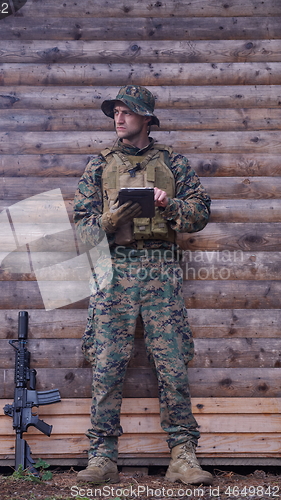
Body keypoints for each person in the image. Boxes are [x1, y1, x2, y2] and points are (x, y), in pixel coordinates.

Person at [73, 85, 212, 485]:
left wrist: (169, 204)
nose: (119, 118)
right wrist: (108, 219)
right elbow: (82, 230)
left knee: (171, 364)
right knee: (107, 365)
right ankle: (101, 457)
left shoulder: (173, 163)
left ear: (146, 118)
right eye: (115, 111)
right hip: (113, 270)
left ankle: (183, 456)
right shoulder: (98, 166)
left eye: (127, 112)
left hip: (160, 270)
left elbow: (201, 212)